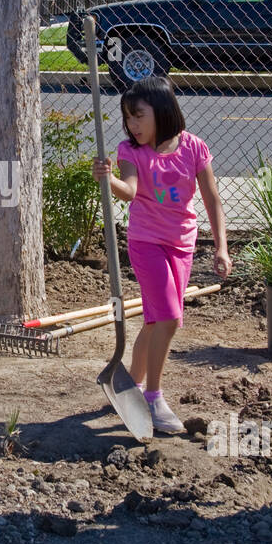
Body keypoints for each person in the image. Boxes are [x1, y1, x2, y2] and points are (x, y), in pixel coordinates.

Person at [93, 77, 231, 434]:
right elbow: (130, 191)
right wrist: (109, 180)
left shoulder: (194, 148)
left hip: (183, 244)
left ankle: (132, 387)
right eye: (127, 118)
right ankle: (153, 397)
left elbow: (213, 198)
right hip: (146, 242)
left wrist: (221, 247)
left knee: (155, 321)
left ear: (163, 111)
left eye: (138, 116)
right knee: (169, 317)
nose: (132, 125)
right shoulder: (131, 153)